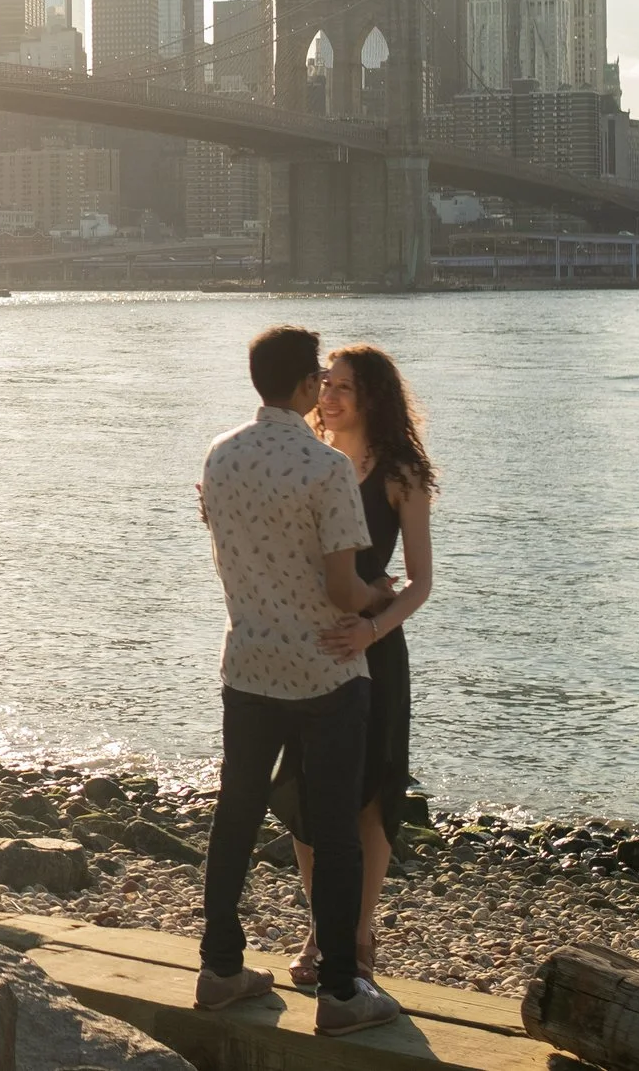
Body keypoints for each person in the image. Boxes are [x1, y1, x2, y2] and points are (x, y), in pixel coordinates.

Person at [194, 324, 403, 1036]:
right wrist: (383, 599)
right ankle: (342, 991)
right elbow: (344, 589)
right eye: (318, 375)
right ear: (305, 385)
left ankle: (220, 967)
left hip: (249, 664)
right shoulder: (325, 467)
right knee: (337, 829)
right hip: (325, 672)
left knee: (237, 811)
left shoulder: (220, 457)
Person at [275, 344, 437, 986]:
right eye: (325, 384)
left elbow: (420, 582)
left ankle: (358, 933)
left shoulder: (401, 474)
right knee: (307, 797)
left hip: (375, 648)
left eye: (344, 387)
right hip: (309, 645)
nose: (330, 396)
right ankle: (321, 927)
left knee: (370, 797)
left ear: (373, 396)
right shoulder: (306, 459)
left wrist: (371, 629)